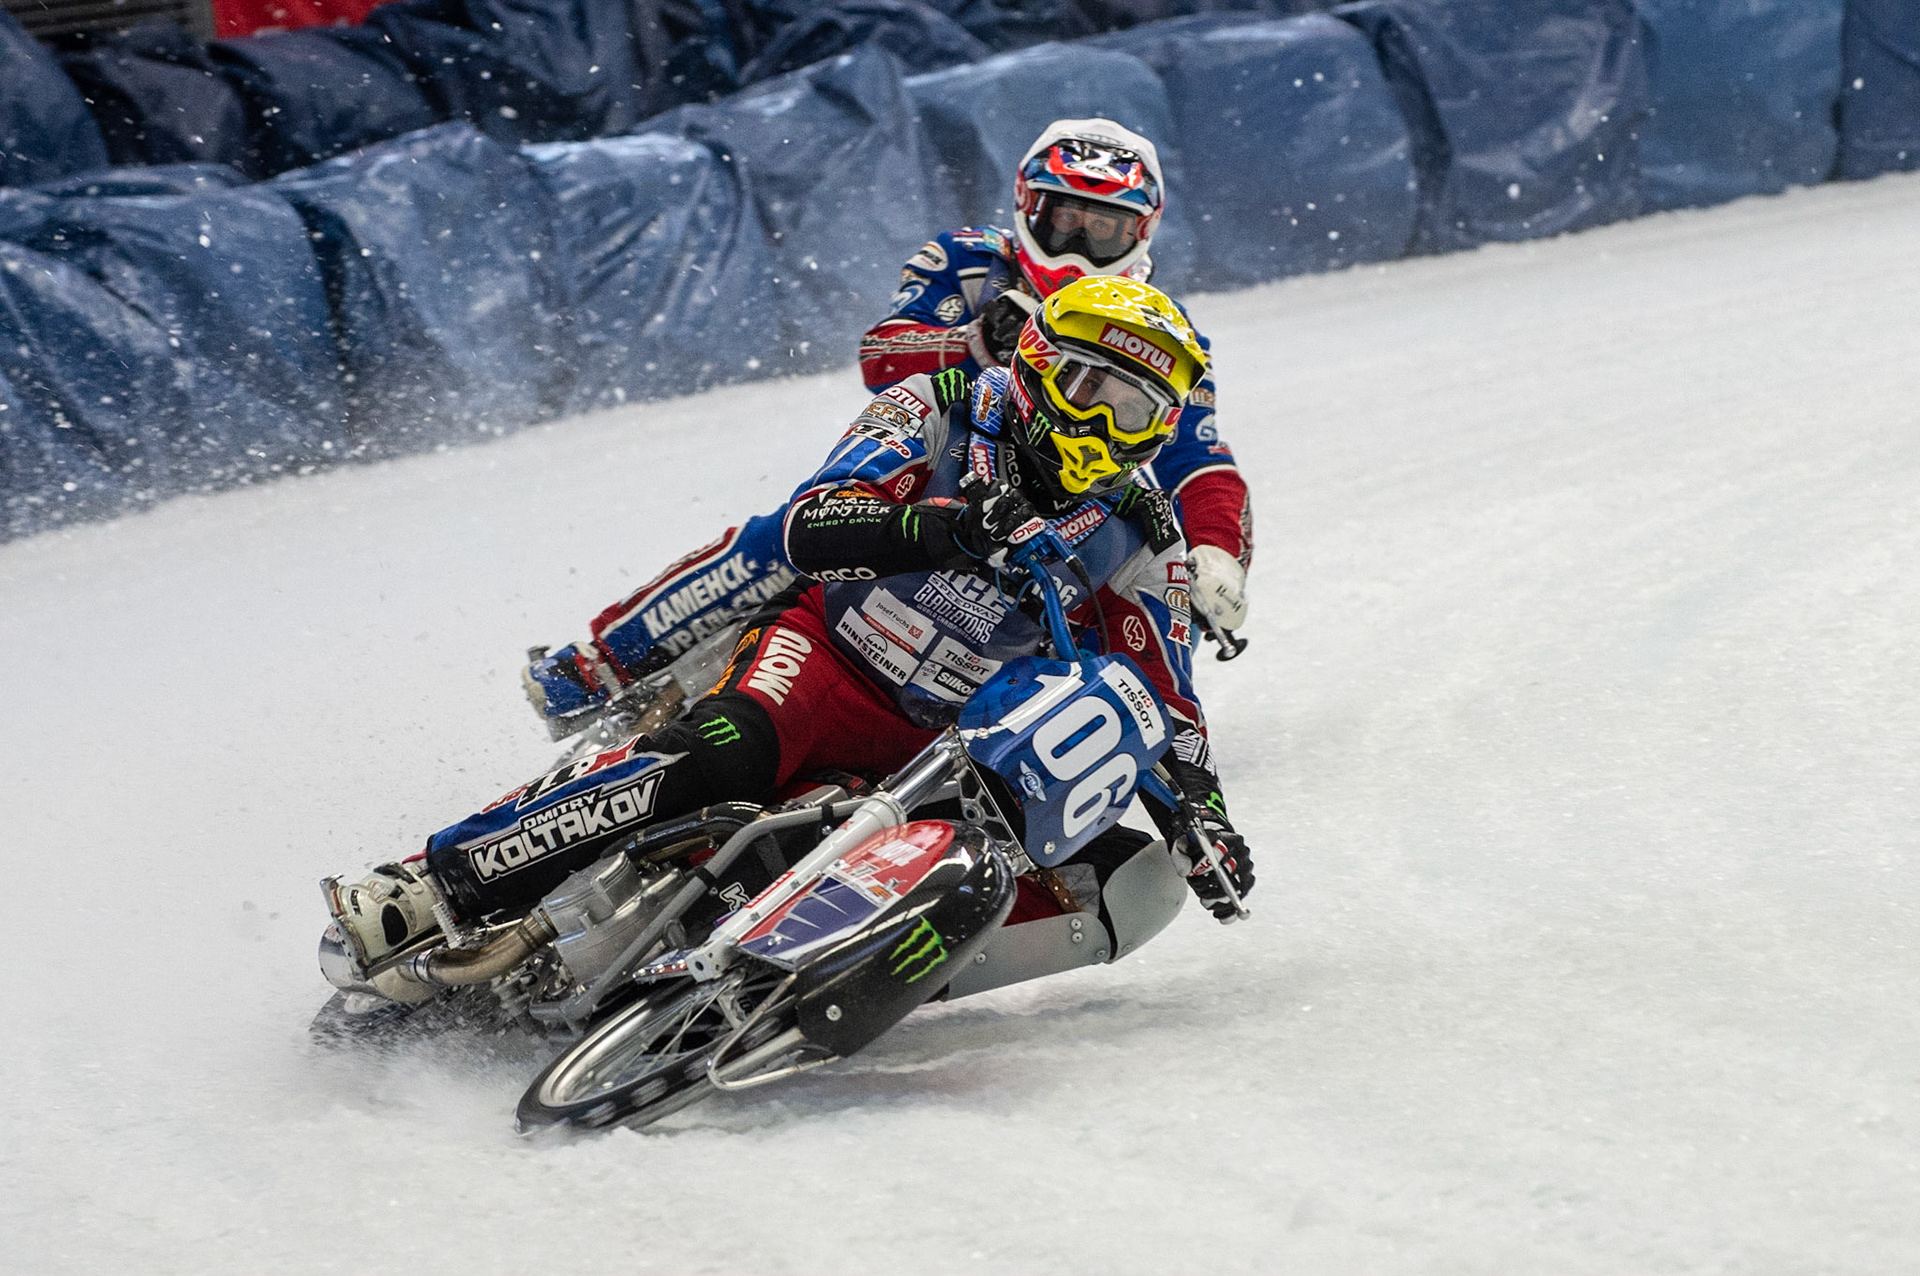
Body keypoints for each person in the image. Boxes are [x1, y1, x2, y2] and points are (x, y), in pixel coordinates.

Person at [324, 278, 1256, 1001]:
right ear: (1042, 362)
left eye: (1134, 411)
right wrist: (948, 526)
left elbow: (1161, 694)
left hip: (948, 745)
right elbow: (813, 525)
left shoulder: (1144, 531)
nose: (1101, 423)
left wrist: (1199, 816)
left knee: (1134, 883)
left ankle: (853, 980)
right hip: (823, 657)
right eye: (1091, 388)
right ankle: (432, 883)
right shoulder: (945, 402)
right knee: (726, 752)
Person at [521, 119, 1253, 736]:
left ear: (1141, 233)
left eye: (1104, 231)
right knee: (786, 537)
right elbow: (879, 353)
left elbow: (1200, 456)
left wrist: (1217, 556)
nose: (1078, 248)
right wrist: (970, 341)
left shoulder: (1163, 337)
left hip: (1057, 511)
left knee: (1105, 623)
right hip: (927, 461)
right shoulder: (968, 260)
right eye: (1065, 221)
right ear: (1029, 208)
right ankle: (602, 660)